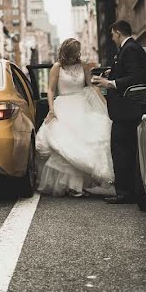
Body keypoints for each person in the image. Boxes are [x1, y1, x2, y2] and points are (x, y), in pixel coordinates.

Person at [35, 38, 114, 197]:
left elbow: (90, 86)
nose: (78, 54)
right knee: (65, 144)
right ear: (68, 52)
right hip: (63, 106)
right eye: (75, 51)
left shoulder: (83, 65)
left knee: (85, 142)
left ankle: (79, 185)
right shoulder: (57, 67)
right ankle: (71, 186)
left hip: (81, 106)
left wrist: (104, 103)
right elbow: (50, 90)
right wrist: (51, 110)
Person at [92, 20, 146, 204]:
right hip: (126, 111)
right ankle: (128, 190)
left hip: (126, 111)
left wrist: (110, 83)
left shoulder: (130, 49)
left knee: (122, 151)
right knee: (127, 150)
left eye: (112, 35)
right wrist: (112, 72)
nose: (112, 39)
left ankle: (125, 193)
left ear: (117, 32)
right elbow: (128, 72)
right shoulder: (130, 48)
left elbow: (135, 77)